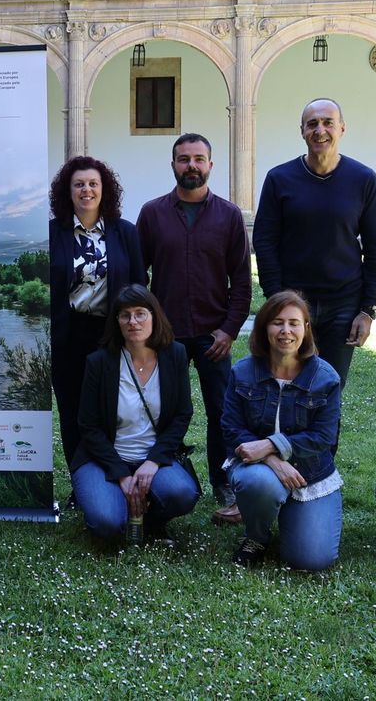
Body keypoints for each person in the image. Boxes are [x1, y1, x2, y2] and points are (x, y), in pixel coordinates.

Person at [136, 133, 251, 524]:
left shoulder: (229, 216)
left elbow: (241, 280)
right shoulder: (152, 214)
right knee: (161, 410)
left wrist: (229, 330)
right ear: (173, 165)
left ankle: (224, 481)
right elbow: (138, 279)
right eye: (183, 159)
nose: (192, 166)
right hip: (164, 337)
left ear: (211, 165)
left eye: (199, 159)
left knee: (222, 411)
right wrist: (148, 331)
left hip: (212, 335)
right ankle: (162, 474)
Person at [253, 98, 376, 385]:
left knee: (329, 390)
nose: (320, 130)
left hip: (344, 303)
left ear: (342, 128)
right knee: (288, 385)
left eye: (328, 122)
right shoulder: (279, 179)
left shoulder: (363, 179)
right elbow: (264, 242)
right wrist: (276, 297)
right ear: (302, 131)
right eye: (312, 124)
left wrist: (367, 309)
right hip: (292, 302)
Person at [220, 290, 343, 571]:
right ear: (264, 328)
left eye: (294, 323)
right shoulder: (243, 372)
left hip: (308, 474)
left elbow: (324, 437)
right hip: (258, 469)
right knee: (260, 483)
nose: (285, 331)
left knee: (310, 560)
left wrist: (269, 445)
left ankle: (289, 513)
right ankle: (257, 536)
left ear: (306, 329)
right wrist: (273, 459)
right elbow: (231, 427)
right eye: (277, 322)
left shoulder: (325, 378)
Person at [70, 285, 200, 543]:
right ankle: (119, 505)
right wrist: (121, 473)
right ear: (116, 322)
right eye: (125, 315)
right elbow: (88, 425)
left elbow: (182, 415)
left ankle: (150, 519)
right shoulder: (100, 362)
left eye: (141, 313)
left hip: (153, 457)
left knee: (182, 494)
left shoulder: (175, 355)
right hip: (104, 458)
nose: (133, 321)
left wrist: (153, 461)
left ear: (154, 316)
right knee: (106, 523)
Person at [48, 156, 145, 501]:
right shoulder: (51, 233)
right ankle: (81, 484)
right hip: (66, 335)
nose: (86, 190)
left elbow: (138, 285)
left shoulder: (126, 232)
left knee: (109, 409)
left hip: (110, 334)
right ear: (68, 191)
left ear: (104, 190)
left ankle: (110, 473)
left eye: (93, 184)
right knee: (72, 411)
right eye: (79, 184)